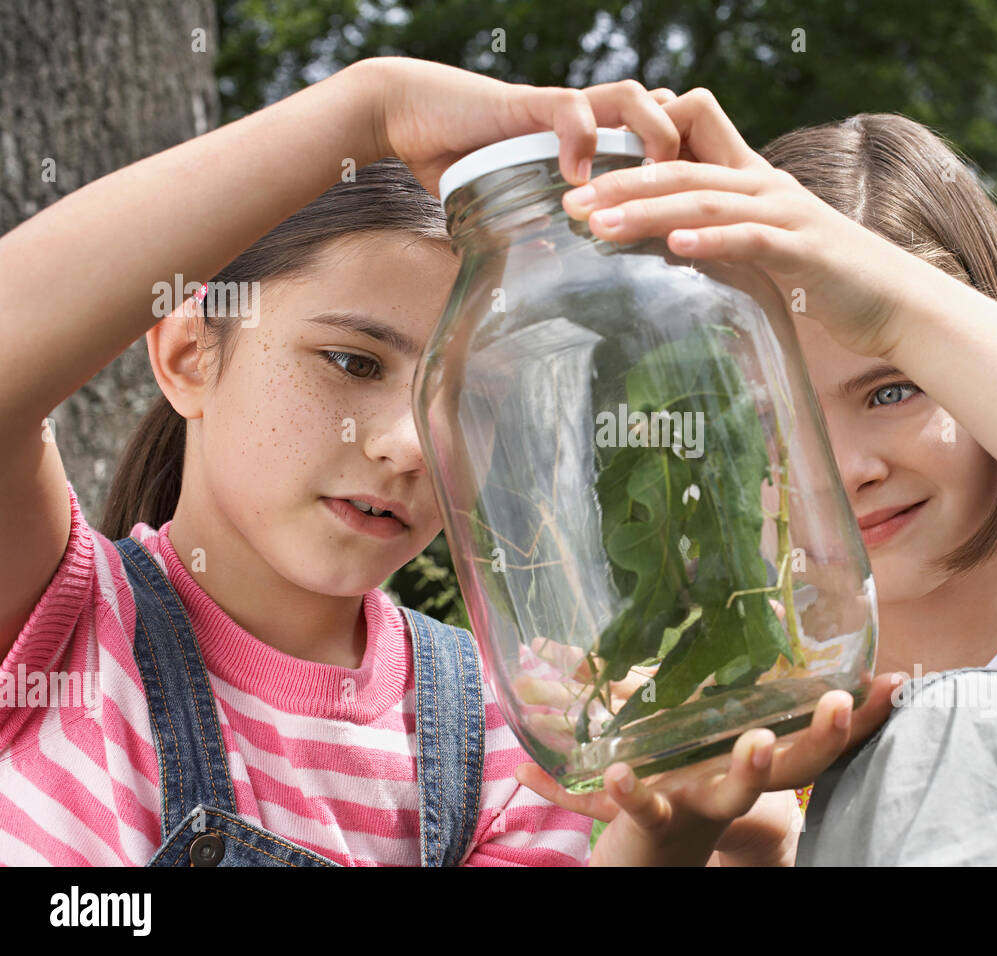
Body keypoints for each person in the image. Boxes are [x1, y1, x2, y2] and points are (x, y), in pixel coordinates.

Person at [0, 57, 872, 867]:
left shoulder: (502, 738)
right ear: (191, 355)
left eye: (467, 400)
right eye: (352, 361)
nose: (409, 445)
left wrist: (674, 836)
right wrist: (368, 108)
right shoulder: (63, 623)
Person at [532, 97, 997, 865]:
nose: (847, 473)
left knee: (971, 720)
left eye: (893, 389)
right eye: (774, 419)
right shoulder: (751, 706)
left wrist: (902, 307)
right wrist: (682, 831)